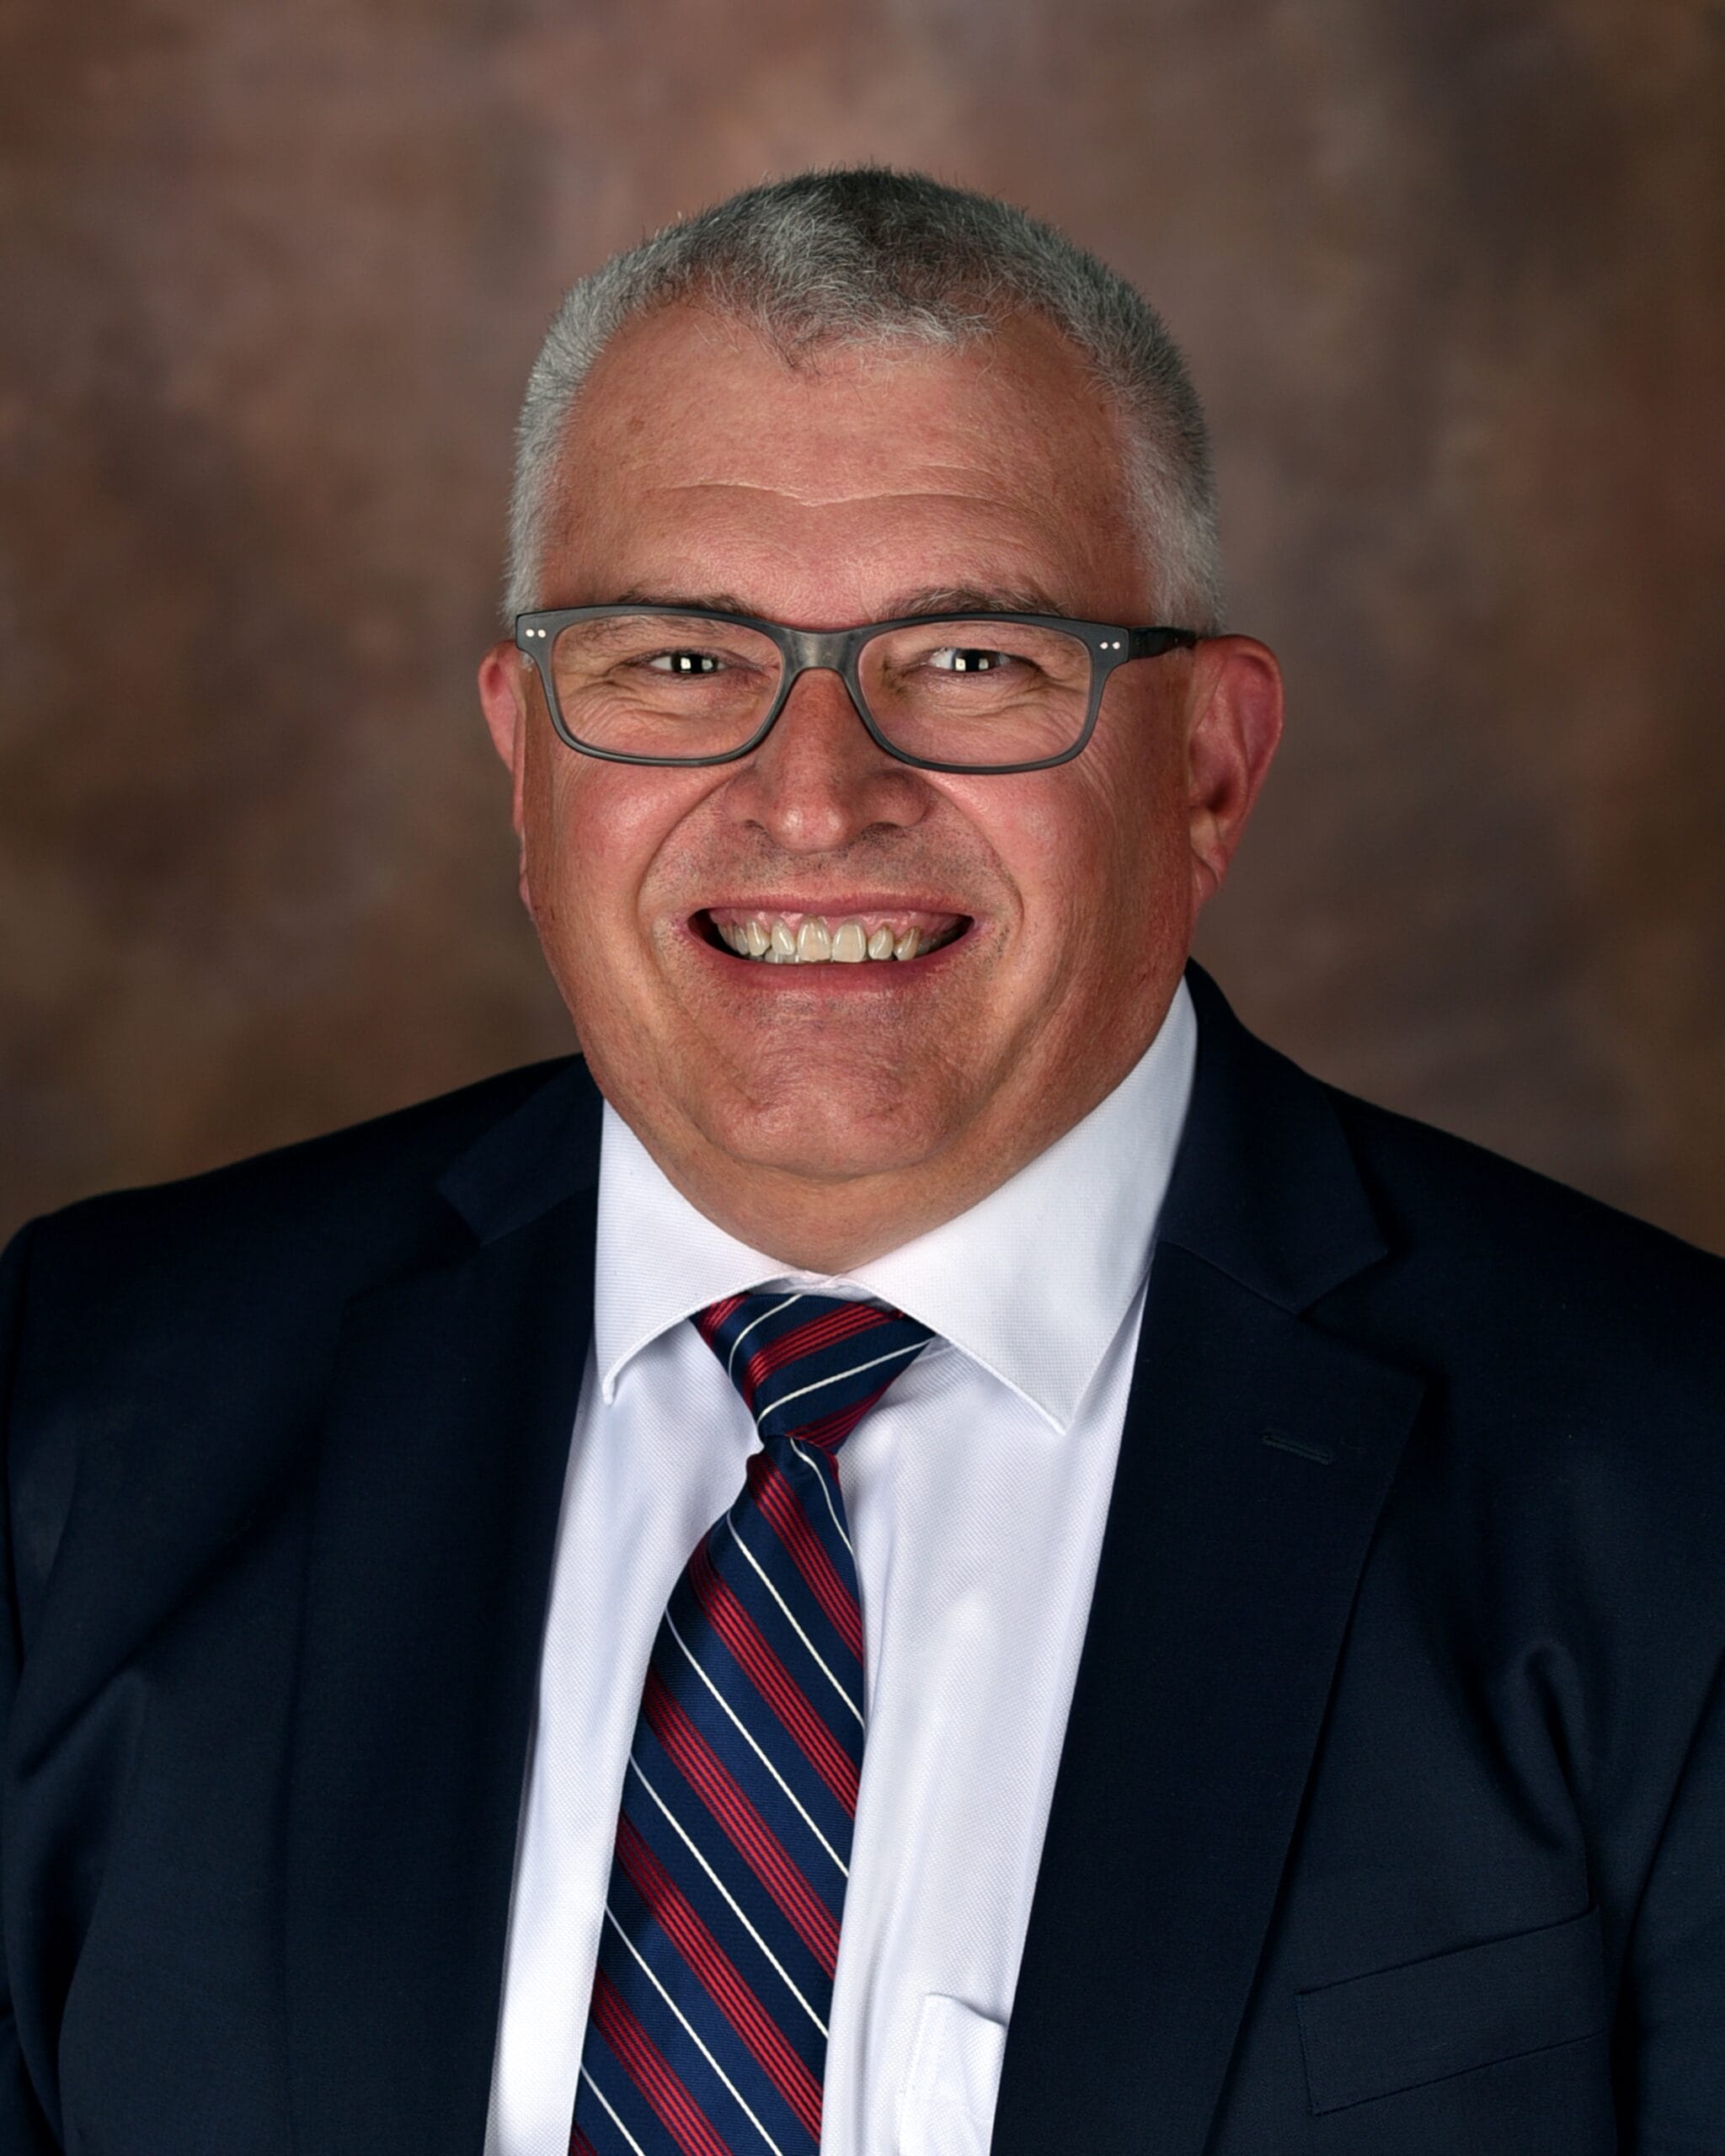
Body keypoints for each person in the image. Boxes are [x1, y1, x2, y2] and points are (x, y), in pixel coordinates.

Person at [0, 168, 1718, 2156]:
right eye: (678, 661)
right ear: (525, 756)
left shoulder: (1669, 1481)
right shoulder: (95, 1411)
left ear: (1207, 763)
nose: (814, 797)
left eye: (972, 659)